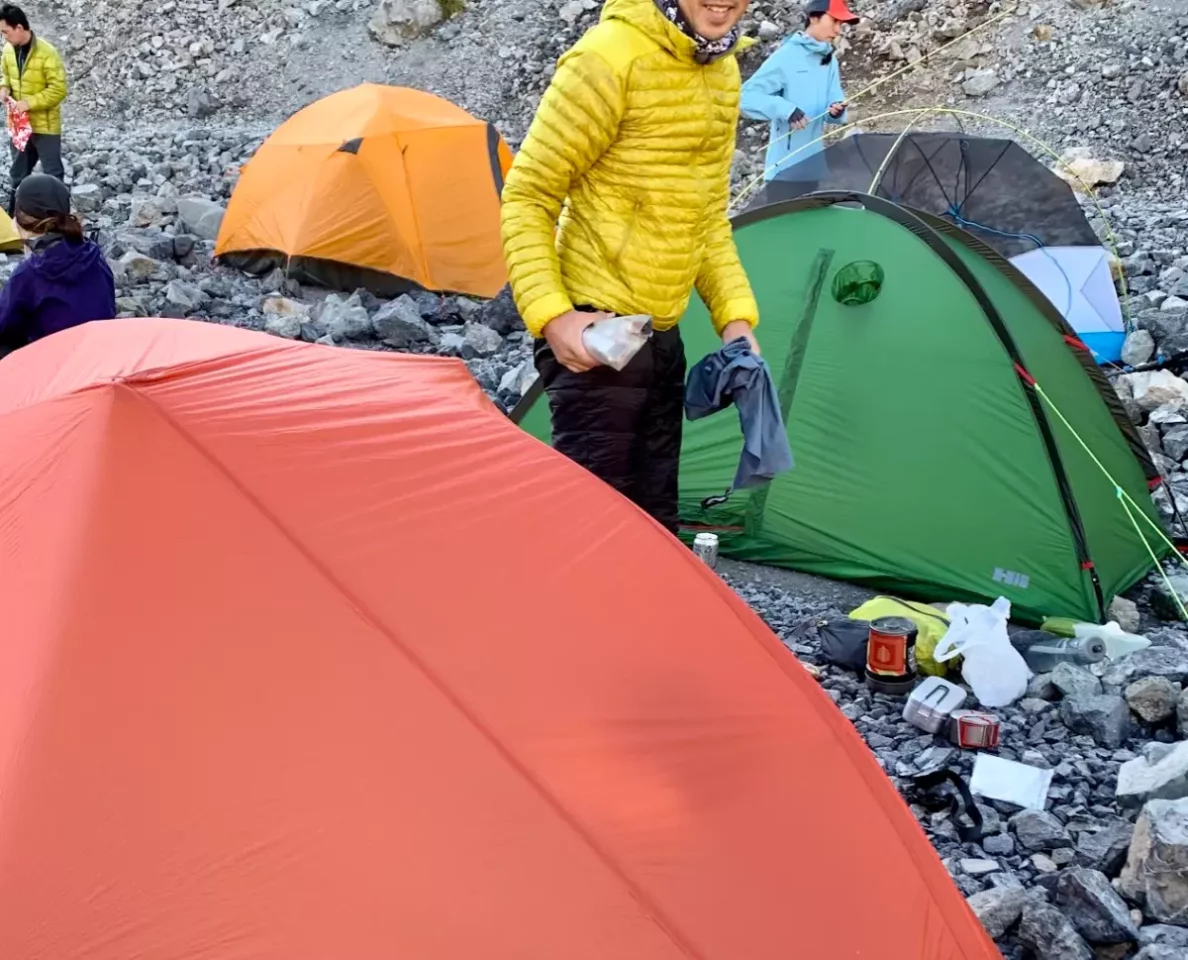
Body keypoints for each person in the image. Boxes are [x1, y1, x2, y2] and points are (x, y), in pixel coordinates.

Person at [501, 0, 760, 535]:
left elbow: (707, 215)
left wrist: (735, 320)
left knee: (655, 525)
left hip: (659, 334)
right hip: (594, 329)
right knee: (592, 530)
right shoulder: (607, 57)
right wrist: (553, 318)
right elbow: (528, 195)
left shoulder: (721, 68)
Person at [740, 0, 858, 195]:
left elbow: (833, 105)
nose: (838, 30)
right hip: (783, 172)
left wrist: (837, 110)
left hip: (813, 169)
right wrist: (787, 110)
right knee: (782, 225)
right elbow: (746, 96)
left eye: (841, 24)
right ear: (814, 18)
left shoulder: (829, 61)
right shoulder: (786, 56)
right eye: (834, 21)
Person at [0, 173, 115, 356]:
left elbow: (4, 324)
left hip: (54, 372)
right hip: (98, 363)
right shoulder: (94, 256)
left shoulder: (29, 274)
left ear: (22, 219)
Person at [0, 4, 67, 213]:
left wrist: (28, 103)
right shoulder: (8, 51)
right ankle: (15, 219)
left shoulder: (48, 53)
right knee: (18, 173)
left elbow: (59, 90)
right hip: (19, 125)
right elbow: (5, 75)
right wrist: (4, 88)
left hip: (45, 126)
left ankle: (60, 223)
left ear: (19, 27)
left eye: (5, 32)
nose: (4, 38)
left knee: (53, 175)